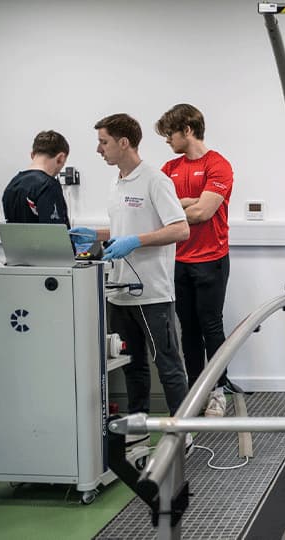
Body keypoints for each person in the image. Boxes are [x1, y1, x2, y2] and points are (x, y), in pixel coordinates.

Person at [70, 114, 191, 451]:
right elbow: (123, 229)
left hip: (152, 292)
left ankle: (182, 433)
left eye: (104, 141)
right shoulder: (117, 183)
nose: (98, 149)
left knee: (167, 366)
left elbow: (180, 229)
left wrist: (135, 241)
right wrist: (95, 235)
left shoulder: (155, 180)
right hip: (119, 291)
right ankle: (138, 429)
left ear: (124, 142)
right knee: (131, 366)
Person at [156, 104, 235, 418]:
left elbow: (204, 213)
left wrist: (180, 206)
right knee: (187, 329)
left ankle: (218, 390)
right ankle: (195, 390)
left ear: (187, 130)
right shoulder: (168, 169)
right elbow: (160, 211)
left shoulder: (219, 165)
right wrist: (190, 202)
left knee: (211, 327)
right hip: (178, 259)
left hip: (211, 259)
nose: (167, 141)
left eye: (169, 134)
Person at [2, 130, 71, 226]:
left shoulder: (12, 185)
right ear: (61, 158)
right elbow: (55, 235)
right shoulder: (48, 186)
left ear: (32, 155)